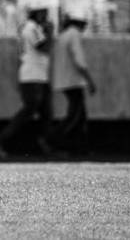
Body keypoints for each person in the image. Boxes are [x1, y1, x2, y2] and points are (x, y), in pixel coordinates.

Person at [0, 0, 55, 160]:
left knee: (46, 111)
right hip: (32, 75)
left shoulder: (33, 28)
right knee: (29, 110)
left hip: (39, 75)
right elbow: (44, 47)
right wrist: (50, 32)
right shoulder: (31, 28)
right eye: (43, 13)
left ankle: (43, 143)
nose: (45, 16)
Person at [50, 16, 96, 155]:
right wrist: (90, 81)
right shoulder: (74, 34)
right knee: (75, 116)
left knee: (79, 115)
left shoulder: (63, 35)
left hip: (65, 80)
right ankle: (51, 141)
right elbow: (79, 61)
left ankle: (79, 147)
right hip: (73, 81)